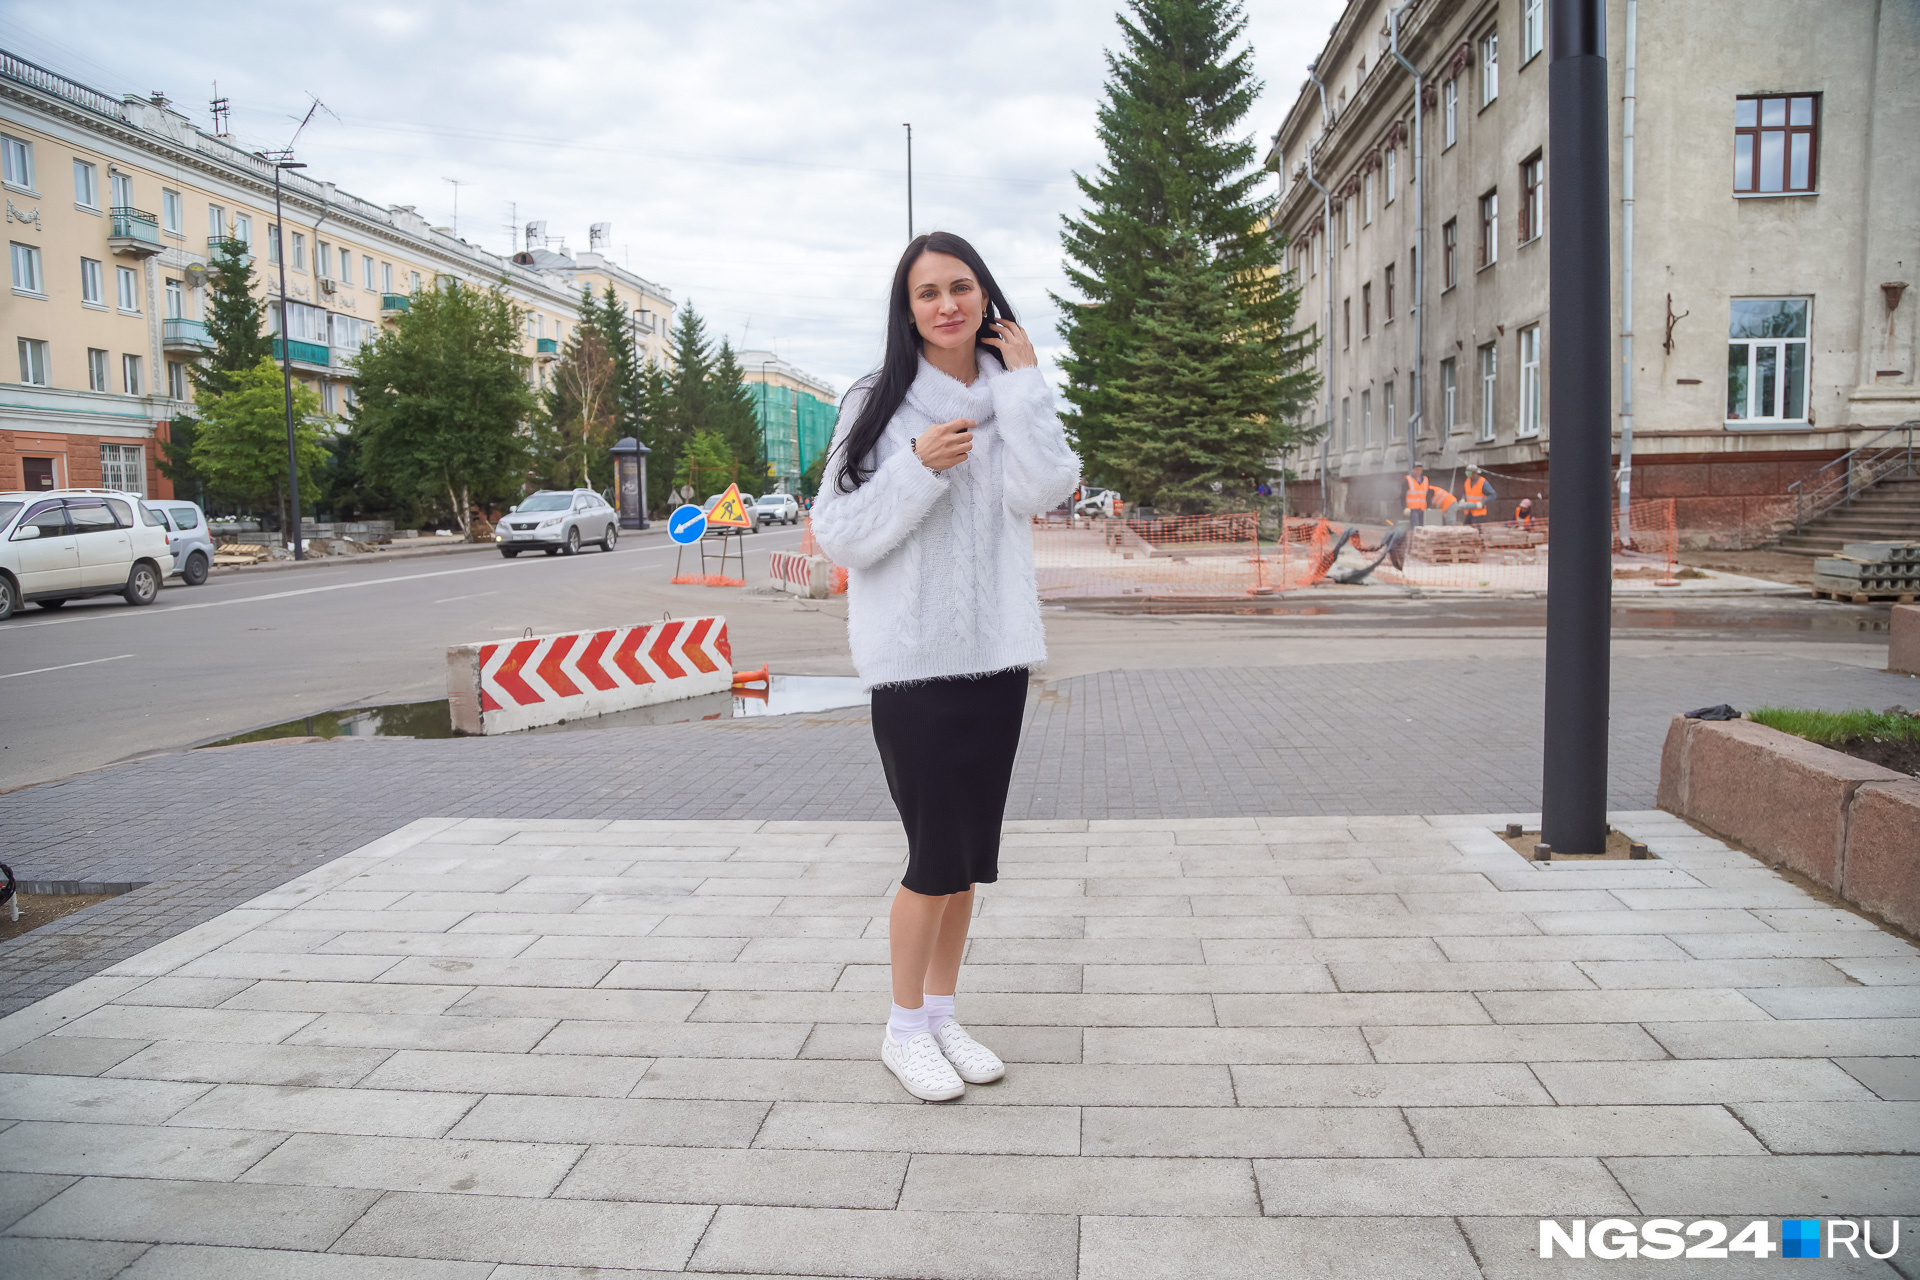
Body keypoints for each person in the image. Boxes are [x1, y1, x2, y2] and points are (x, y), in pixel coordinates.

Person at [810, 231, 1081, 1102]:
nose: (947, 305)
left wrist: (1029, 381)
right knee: (932, 856)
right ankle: (901, 1030)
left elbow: (1046, 491)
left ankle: (939, 1014)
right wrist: (913, 472)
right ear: (908, 308)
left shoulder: (1012, 396)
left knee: (969, 861)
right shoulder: (875, 403)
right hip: (915, 664)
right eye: (928, 293)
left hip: (996, 658)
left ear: (986, 297)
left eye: (961, 287)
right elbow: (839, 534)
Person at [1402, 462, 1432, 527]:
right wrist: (1404, 507)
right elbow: (1402, 495)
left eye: (1420, 470)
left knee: (1422, 527)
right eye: (1417, 470)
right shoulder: (1408, 480)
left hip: (1423, 508)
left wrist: (1429, 506)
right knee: (1416, 527)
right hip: (1412, 509)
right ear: (1413, 470)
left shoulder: (1425, 480)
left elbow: (1428, 495)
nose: (1419, 472)